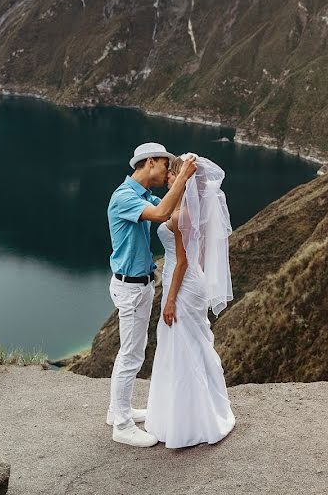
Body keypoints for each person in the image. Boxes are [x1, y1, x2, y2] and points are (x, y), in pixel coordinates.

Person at [106, 142, 197, 447]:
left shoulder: (140, 195)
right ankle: (121, 424)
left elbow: (172, 212)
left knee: (135, 351)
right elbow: (161, 213)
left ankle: (117, 409)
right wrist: (182, 178)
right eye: (165, 166)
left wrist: (188, 187)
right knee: (130, 355)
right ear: (150, 162)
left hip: (141, 283)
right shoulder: (124, 198)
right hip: (130, 286)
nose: (166, 172)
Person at [144, 153, 236, 448]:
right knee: (191, 345)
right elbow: (197, 256)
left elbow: (182, 262)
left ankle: (188, 421)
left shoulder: (180, 214)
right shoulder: (191, 212)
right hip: (191, 281)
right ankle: (196, 413)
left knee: (181, 347)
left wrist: (170, 300)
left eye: (174, 174)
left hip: (180, 282)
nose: (170, 177)